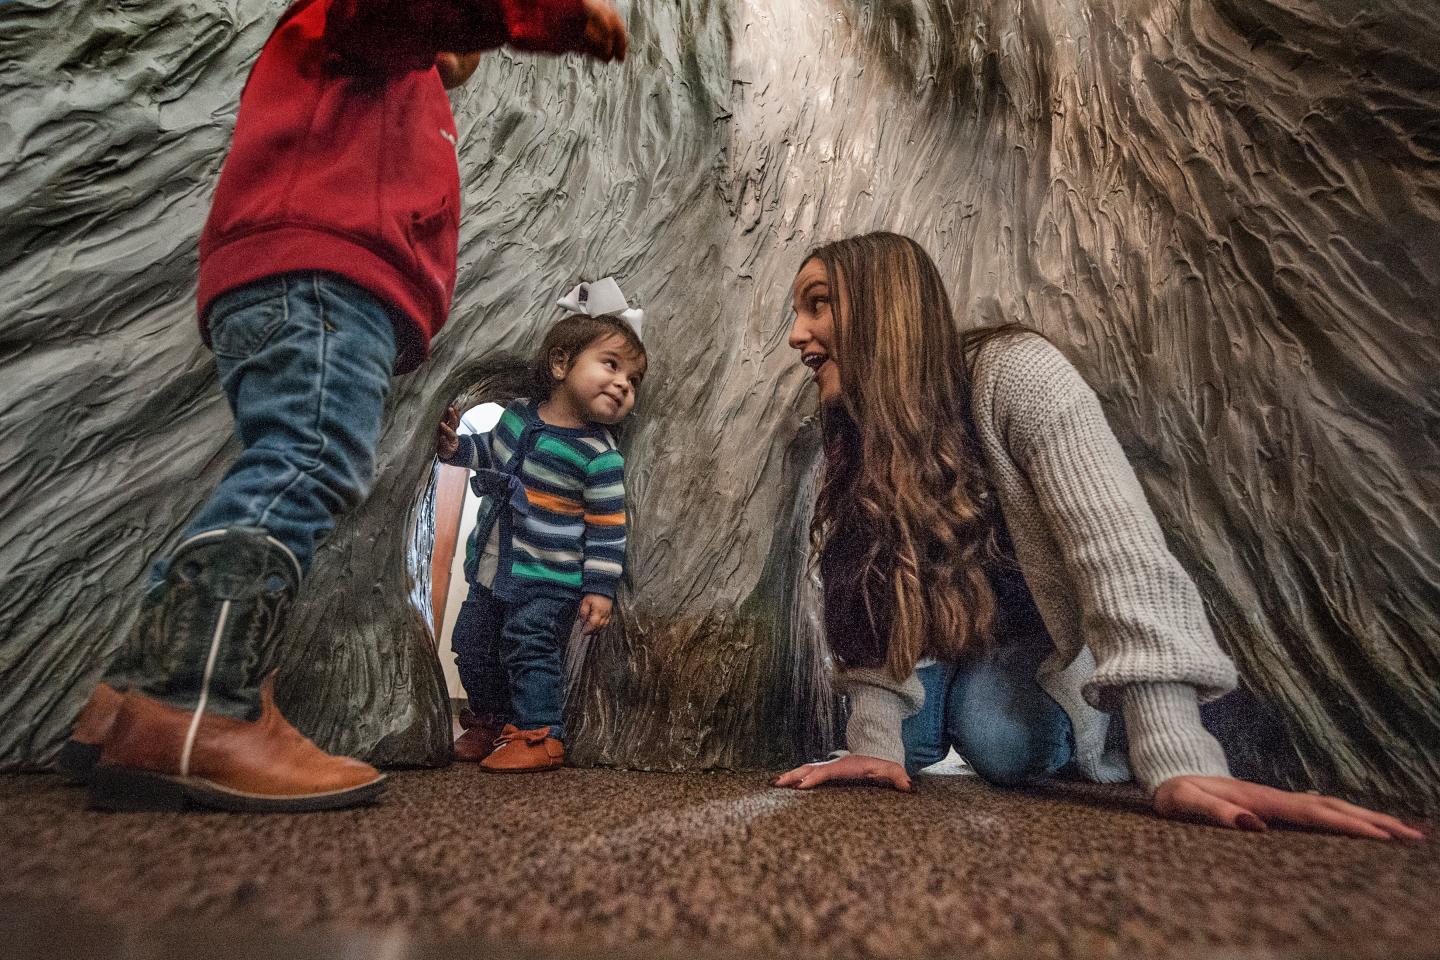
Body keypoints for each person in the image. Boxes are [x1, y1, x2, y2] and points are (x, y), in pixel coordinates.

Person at [61, 0, 629, 812]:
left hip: (292, 280)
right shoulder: (358, 29)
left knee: (274, 468)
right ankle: (201, 707)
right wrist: (539, 15)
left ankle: (130, 701)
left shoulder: (379, 68)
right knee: (304, 464)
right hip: (324, 279)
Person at [774, 232, 1423, 841]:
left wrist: (1178, 758)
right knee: (895, 749)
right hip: (941, 637)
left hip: (1033, 642)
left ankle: (1072, 717)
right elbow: (870, 593)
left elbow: (1118, 551)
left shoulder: (1018, 375)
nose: (799, 334)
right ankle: (921, 716)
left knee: (999, 741)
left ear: (889, 311)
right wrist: (874, 747)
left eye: (819, 306)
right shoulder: (860, 431)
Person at [435, 280, 645, 772]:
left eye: (633, 381)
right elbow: (487, 451)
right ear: (560, 364)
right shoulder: (517, 416)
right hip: (491, 569)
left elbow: (607, 528)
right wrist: (455, 451)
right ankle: (488, 721)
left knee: (529, 648)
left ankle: (541, 734)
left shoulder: (599, 455)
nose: (622, 385)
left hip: (549, 580)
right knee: (472, 644)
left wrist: (599, 588)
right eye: (611, 366)